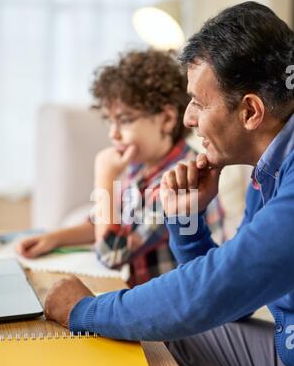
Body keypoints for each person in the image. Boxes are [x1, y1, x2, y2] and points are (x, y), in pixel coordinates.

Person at [43, 2, 294, 366]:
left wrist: (83, 312)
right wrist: (188, 219)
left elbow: (206, 294)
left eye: (198, 102)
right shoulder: (268, 172)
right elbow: (232, 299)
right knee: (183, 331)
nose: (188, 118)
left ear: (251, 111)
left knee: (174, 325)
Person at [17, 49, 224, 287]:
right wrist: (52, 239)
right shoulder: (140, 166)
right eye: (110, 121)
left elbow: (112, 254)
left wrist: (105, 177)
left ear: (167, 119)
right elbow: (104, 222)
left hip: (177, 307)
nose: (113, 133)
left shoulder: (180, 178)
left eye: (125, 120)